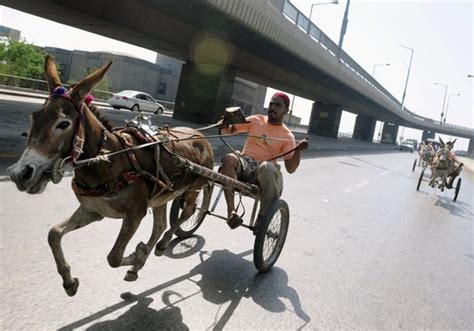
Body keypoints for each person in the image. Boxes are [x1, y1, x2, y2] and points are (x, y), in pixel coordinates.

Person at [219, 92, 309, 229]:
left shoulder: (287, 136)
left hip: (264, 173)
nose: (273, 107)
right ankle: (231, 212)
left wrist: (298, 150)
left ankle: (262, 218)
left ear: (286, 110)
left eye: (278, 105)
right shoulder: (256, 120)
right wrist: (224, 125)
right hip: (246, 164)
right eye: (271, 103)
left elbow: (291, 168)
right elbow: (230, 130)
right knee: (229, 158)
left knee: (267, 167)